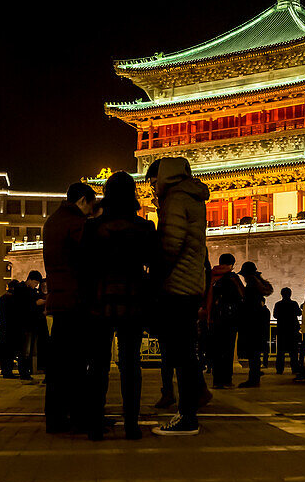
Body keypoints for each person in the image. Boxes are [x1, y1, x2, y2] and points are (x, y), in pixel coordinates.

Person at [80, 171, 155, 441]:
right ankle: (132, 424)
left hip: (99, 300)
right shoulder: (144, 228)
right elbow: (153, 262)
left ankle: (95, 425)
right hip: (133, 300)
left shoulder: (92, 228)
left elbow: (83, 266)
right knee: (131, 363)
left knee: (98, 364)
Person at [149, 157, 210, 436]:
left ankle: (187, 417)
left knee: (181, 353)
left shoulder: (175, 199)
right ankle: (192, 404)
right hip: (192, 284)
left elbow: (171, 245)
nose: (151, 188)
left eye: (153, 181)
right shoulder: (194, 197)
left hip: (177, 286)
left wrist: (155, 277)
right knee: (186, 352)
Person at [42, 181, 96, 433]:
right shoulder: (76, 223)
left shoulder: (52, 221)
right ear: (83, 200)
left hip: (58, 299)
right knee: (76, 363)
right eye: (91, 206)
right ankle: (77, 417)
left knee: (58, 364)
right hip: (75, 299)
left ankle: (54, 417)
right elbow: (87, 258)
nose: (91, 211)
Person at [203, 253, 244, 390]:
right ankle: (226, 380)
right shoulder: (232, 277)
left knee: (216, 351)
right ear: (231, 264)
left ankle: (217, 380)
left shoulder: (211, 275)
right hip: (229, 318)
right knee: (228, 350)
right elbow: (241, 295)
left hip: (213, 318)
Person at [236, 262, 274, 388]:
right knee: (255, 351)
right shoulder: (259, 285)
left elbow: (246, 303)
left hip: (252, 322)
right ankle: (255, 375)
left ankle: (253, 378)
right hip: (259, 322)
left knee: (253, 351)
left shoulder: (251, 285)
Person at [0, 280, 23, 379]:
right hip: (12, 328)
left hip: (4, 327)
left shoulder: (2, 297)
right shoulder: (13, 298)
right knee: (11, 351)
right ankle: (8, 371)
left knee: (5, 351)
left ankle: (5, 370)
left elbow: (1, 313)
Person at [273, 287, 302, 376]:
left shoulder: (278, 304)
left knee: (280, 352)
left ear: (281, 294)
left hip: (282, 330)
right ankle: (295, 368)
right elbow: (299, 313)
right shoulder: (294, 304)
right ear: (290, 294)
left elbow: (275, 315)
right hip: (292, 330)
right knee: (293, 351)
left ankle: (279, 369)